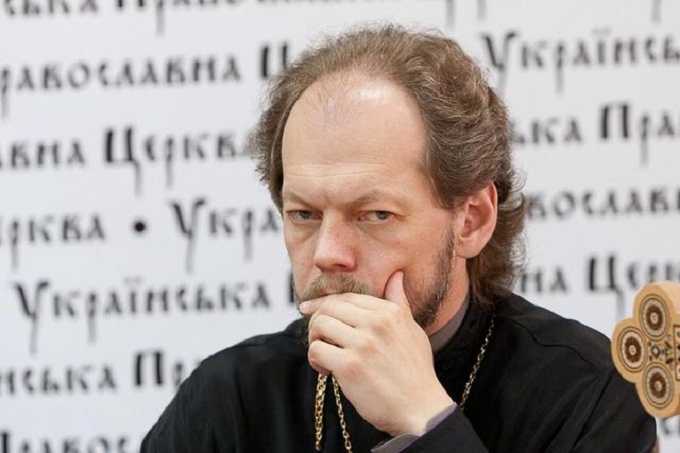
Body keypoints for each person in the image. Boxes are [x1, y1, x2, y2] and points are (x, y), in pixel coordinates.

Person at [141, 25, 656, 452]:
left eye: (375, 215)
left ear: (471, 220)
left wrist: (426, 421)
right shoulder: (228, 399)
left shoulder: (588, 394)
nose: (327, 253)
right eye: (304, 214)